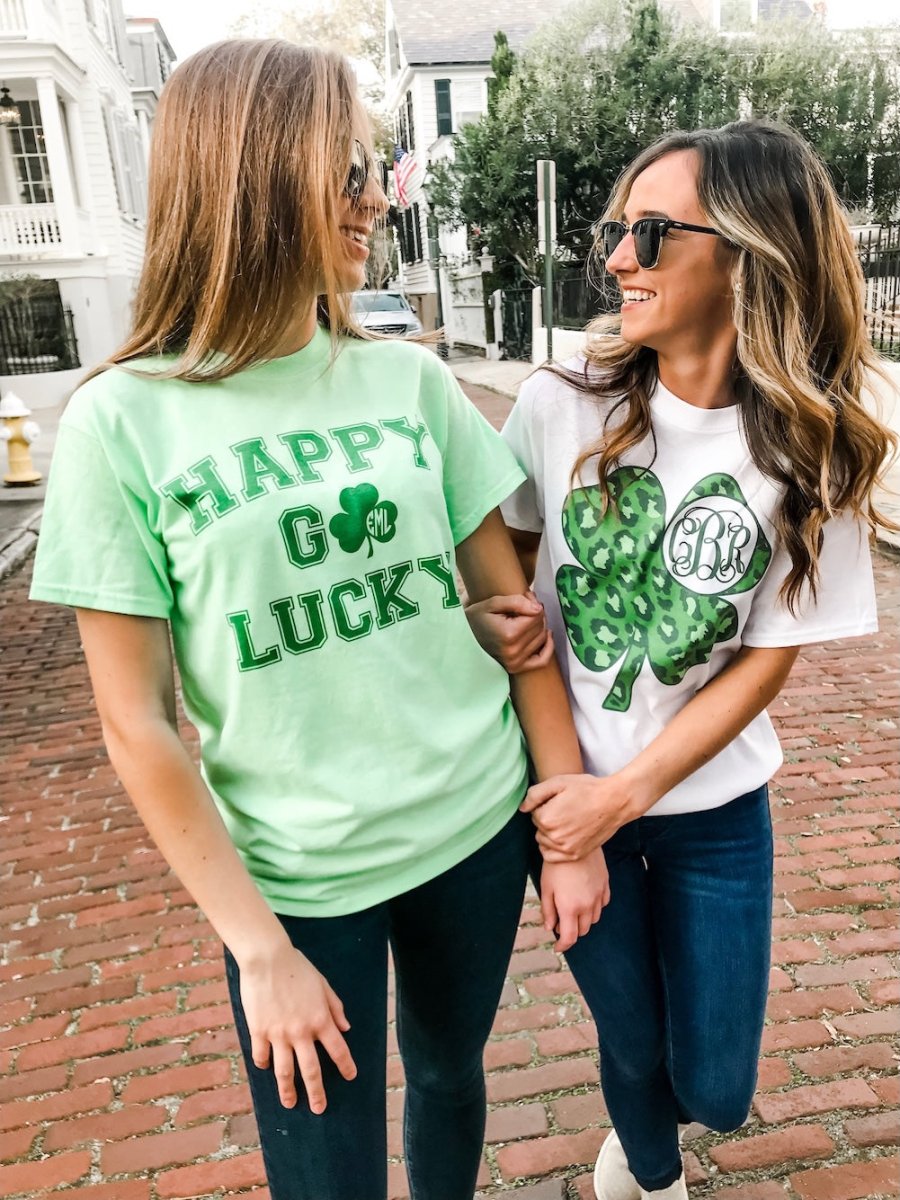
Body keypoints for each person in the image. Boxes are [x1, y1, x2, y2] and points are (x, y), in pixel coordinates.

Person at [29, 39, 610, 1200]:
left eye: (373, 169)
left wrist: (567, 826)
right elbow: (137, 724)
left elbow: (510, 615)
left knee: (447, 1076)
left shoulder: (411, 383)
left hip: (472, 829)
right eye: (344, 171)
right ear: (249, 176)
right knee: (328, 1176)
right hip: (298, 880)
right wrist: (258, 950)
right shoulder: (119, 422)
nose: (373, 198)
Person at [469, 120, 896, 1200]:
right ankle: (652, 1177)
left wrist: (624, 799)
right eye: (618, 230)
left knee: (717, 1086)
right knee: (630, 1041)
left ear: (749, 254)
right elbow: (509, 595)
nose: (619, 257)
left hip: (714, 812)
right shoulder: (559, 402)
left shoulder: (811, 441)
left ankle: (660, 1129)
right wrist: (573, 813)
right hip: (566, 793)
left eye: (652, 233)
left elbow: (764, 660)